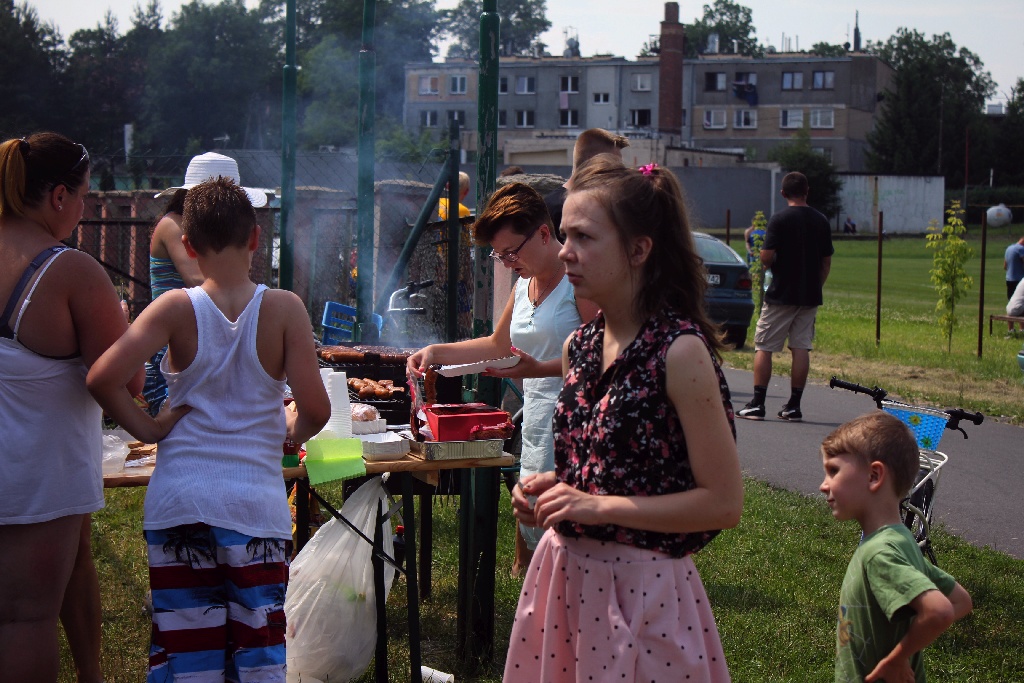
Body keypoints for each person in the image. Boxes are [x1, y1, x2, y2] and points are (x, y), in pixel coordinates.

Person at [505, 157, 743, 681]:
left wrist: (596, 505)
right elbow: (596, 473)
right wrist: (552, 489)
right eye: (564, 234)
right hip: (565, 576)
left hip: (644, 591)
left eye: (584, 237)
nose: (565, 252)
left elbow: (724, 504)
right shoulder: (579, 348)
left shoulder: (679, 352)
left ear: (639, 249)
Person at [87, 177, 331, 682]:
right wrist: (290, 431)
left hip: (179, 505)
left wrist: (150, 429)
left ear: (190, 247)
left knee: (188, 660)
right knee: (258, 658)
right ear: (255, 240)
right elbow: (317, 410)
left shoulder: (175, 307)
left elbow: (103, 378)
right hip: (254, 511)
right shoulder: (285, 309)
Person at [0, 132, 146, 681]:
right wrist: (127, 323)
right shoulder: (70, 272)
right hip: (33, 478)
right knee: (22, 620)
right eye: (84, 195)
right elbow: (128, 379)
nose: (84, 209)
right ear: (59, 196)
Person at [408, 182, 599, 577]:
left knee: (561, 520)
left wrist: (541, 370)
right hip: (536, 416)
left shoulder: (577, 283)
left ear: (545, 234)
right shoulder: (522, 284)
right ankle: (526, 580)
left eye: (512, 251)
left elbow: (604, 357)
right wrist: (437, 352)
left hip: (578, 421)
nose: (508, 262)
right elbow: (497, 344)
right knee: (529, 498)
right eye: (500, 254)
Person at [820, 412, 972, 682]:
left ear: (874, 476)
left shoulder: (880, 553)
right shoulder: (903, 541)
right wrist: (904, 641)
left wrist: (897, 659)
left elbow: (941, 609)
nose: (824, 485)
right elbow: (960, 599)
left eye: (833, 471)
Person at [145, 152, 269, 415]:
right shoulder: (172, 225)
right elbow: (201, 280)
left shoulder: (200, 228)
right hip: (172, 351)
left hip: (203, 344)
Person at [737, 171, 834, 422]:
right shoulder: (821, 220)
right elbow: (826, 261)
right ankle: (793, 405)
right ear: (807, 191)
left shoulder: (779, 219)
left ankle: (758, 403)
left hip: (781, 293)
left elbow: (767, 258)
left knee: (764, 345)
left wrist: (769, 260)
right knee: (801, 347)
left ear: (783, 193)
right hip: (809, 294)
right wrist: (815, 285)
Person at [543, 128, 629, 229]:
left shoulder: (598, 206)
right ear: (591, 162)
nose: (618, 172)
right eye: (612, 165)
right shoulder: (555, 209)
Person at [1004, 235, 1024, 331]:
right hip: (1019, 279)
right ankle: (1022, 329)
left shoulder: (1009, 248)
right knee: (1021, 302)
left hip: (1009, 279)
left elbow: (1005, 266)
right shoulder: (1021, 249)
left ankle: (1010, 329)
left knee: (1012, 302)